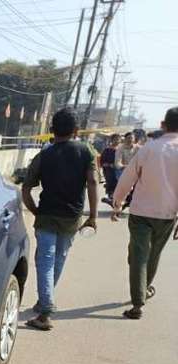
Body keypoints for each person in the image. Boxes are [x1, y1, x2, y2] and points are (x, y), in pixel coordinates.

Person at [20, 108, 98, 331]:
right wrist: (92, 216)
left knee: (45, 260)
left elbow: (26, 189)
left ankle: (45, 310)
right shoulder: (87, 152)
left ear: (52, 130)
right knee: (59, 258)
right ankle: (45, 303)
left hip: (47, 215)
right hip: (71, 217)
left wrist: (35, 211)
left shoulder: (44, 155)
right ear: (76, 130)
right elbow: (93, 183)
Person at [112, 106, 178, 320]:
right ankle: (143, 289)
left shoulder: (148, 149)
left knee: (138, 256)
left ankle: (138, 303)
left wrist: (118, 203)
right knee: (152, 255)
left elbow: (127, 178)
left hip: (141, 213)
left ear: (162, 125)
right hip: (168, 214)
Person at [100, 134, 121, 205]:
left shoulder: (122, 149)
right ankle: (112, 200)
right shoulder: (107, 150)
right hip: (110, 172)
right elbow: (102, 162)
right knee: (112, 185)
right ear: (112, 140)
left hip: (120, 171)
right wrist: (109, 165)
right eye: (115, 139)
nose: (117, 141)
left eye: (118, 139)